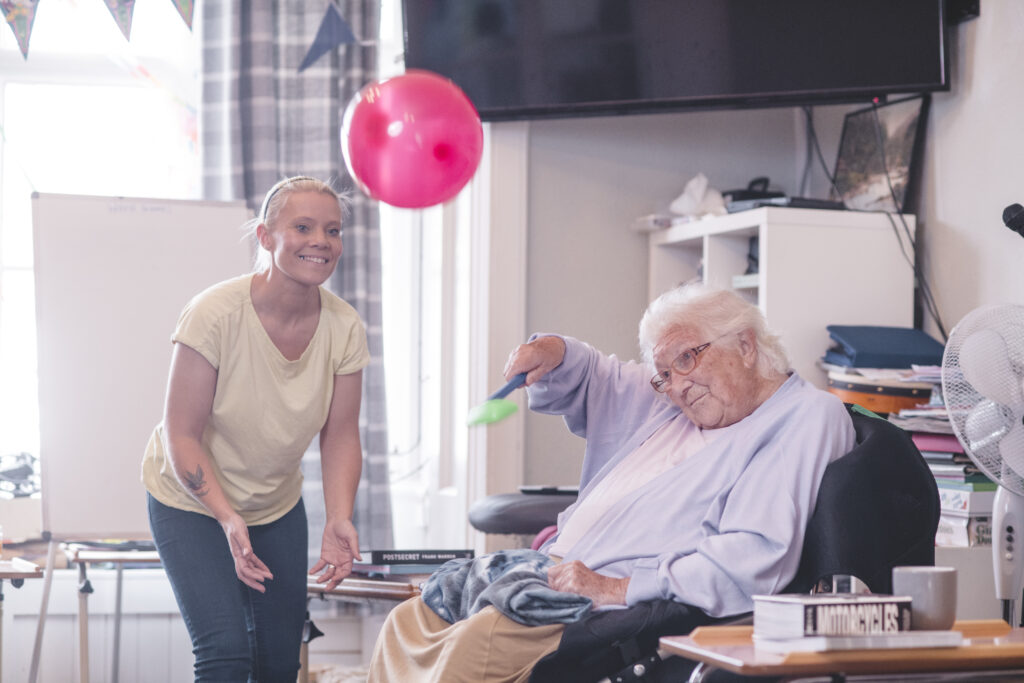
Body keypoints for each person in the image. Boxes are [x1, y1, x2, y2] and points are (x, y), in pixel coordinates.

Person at [368, 284, 856, 683]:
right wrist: (553, 350)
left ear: (745, 346)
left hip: (604, 607)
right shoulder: (670, 401)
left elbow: (753, 557)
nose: (677, 385)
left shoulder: (803, 417)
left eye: (687, 360)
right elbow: (599, 376)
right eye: (665, 373)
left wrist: (618, 587)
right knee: (409, 622)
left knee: (473, 646)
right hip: (550, 574)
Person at [141, 176, 369, 682]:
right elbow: (182, 435)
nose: (321, 241)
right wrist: (225, 516)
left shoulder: (344, 326)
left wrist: (339, 517)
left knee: (277, 664)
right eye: (303, 227)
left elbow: (341, 435)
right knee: (225, 655)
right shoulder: (214, 314)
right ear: (266, 237)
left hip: (274, 506)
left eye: (332, 230)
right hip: (193, 503)